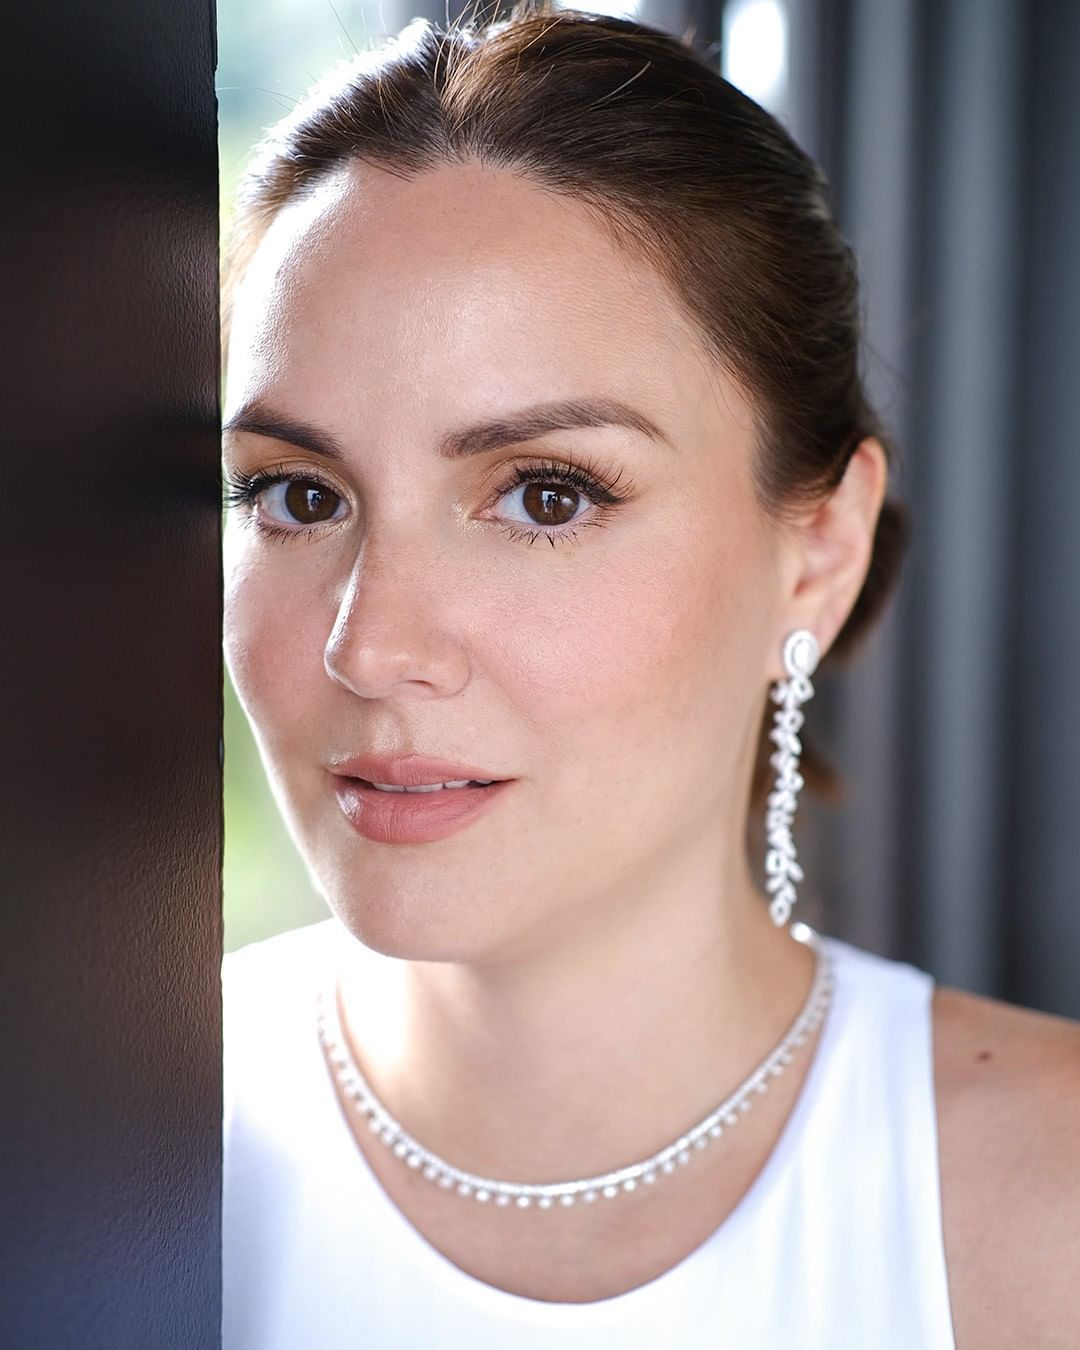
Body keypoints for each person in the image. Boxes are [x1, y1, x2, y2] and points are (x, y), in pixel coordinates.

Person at [218, 4, 1080, 1346]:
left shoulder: (1049, 1209)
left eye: (547, 496)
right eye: (298, 494)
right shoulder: (67, 1142)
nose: (370, 645)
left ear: (819, 553)